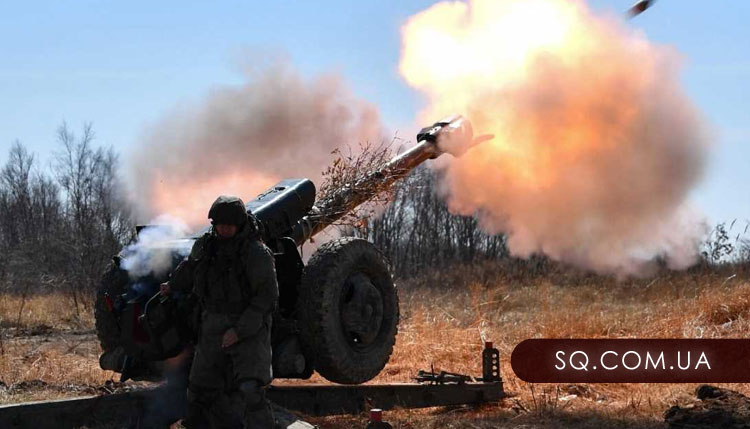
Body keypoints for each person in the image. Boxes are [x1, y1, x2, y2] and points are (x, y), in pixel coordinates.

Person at [161, 195, 278, 428]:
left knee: (250, 389)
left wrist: (239, 331)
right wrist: (172, 285)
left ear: (240, 224)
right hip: (212, 324)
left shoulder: (256, 253)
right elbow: (189, 268)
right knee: (199, 389)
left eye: (230, 225)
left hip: (247, 328)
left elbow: (266, 297)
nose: (224, 229)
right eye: (220, 224)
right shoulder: (206, 246)